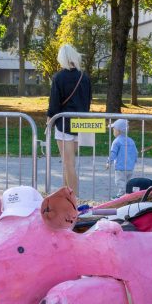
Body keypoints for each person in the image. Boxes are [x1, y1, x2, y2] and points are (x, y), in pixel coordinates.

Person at [47, 44, 91, 193]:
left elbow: (54, 104)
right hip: (82, 123)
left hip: (64, 124)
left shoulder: (59, 77)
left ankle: (73, 198)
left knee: (68, 164)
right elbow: (88, 101)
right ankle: (66, 195)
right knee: (69, 163)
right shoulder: (84, 77)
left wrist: (49, 123)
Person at [106, 119, 137, 197]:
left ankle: (121, 195)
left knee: (119, 181)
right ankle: (128, 195)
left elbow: (113, 153)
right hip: (130, 167)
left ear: (118, 131)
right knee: (128, 182)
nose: (113, 130)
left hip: (120, 167)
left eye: (114, 129)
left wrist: (109, 162)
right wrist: (134, 161)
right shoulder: (131, 141)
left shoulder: (116, 141)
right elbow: (135, 152)